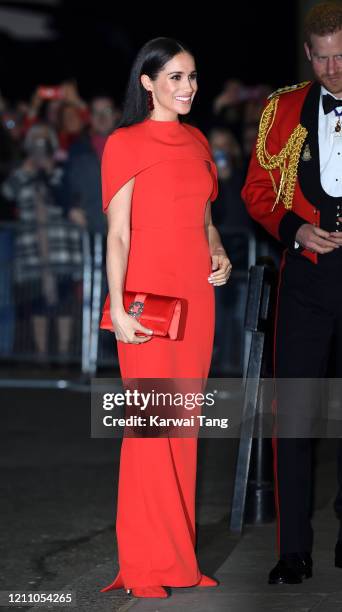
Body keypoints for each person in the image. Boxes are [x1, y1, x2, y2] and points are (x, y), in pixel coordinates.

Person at [99, 37, 231, 599]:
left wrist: (220, 251)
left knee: (183, 429)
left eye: (193, 76)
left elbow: (204, 221)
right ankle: (145, 564)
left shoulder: (198, 140)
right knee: (151, 430)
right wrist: (117, 309)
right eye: (175, 77)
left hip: (197, 300)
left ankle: (179, 560)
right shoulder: (125, 143)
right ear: (146, 82)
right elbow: (119, 233)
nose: (188, 87)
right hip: (146, 303)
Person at [242, 1, 342, 586]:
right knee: (296, 416)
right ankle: (294, 550)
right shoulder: (283, 109)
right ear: (308, 54)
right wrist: (295, 229)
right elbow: (257, 190)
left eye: (341, 57)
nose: (332, 69)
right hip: (304, 277)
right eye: (322, 57)